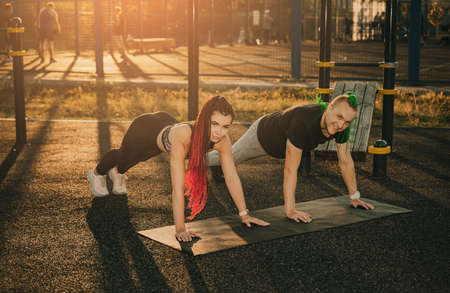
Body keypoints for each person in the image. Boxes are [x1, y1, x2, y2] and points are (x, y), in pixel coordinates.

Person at [87, 96, 270, 242]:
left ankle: (118, 173)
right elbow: (177, 187)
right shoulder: (184, 136)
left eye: (225, 126)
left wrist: (244, 214)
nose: (219, 132)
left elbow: (231, 178)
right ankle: (96, 173)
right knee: (125, 156)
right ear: (204, 119)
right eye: (214, 124)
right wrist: (180, 228)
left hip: (165, 124)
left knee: (140, 158)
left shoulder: (223, 141)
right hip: (146, 129)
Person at [208, 93, 375, 224]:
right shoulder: (303, 122)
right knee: (227, 158)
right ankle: (191, 155)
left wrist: (355, 196)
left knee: (225, 160)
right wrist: (291, 211)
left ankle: (216, 165)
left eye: (346, 122)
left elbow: (345, 161)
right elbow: (290, 169)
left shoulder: (342, 127)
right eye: (339, 117)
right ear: (329, 107)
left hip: (279, 145)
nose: (341, 125)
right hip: (262, 136)